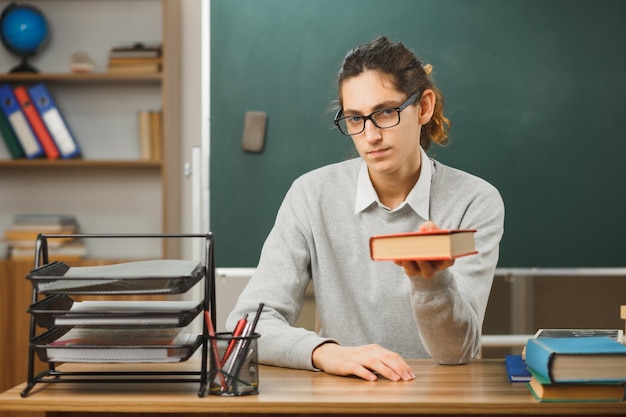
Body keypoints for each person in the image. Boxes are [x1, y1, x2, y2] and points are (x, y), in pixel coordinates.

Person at [226, 36, 505, 382]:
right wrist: (326, 353)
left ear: (424, 107)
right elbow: (247, 325)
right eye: (355, 119)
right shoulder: (310, 195)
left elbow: (457, 353)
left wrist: (431, 283)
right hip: (348, 396)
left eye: (386, 112)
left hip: (441, 398)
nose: (370, 135)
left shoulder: (475, 200)